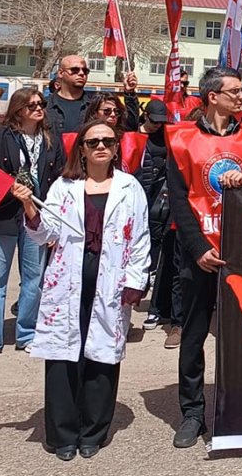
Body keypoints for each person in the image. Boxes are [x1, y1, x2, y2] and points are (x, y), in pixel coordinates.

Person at [18, 120, 150, 460]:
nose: (101, 146)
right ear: (82, 149)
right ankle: (62, 434)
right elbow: (45, 233)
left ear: (117, 146)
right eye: (93, 142)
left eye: (108, 140)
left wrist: (136, 279)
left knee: (102, 353)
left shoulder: (129, 186)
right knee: (63, 354)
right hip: (69, 276)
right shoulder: (64, 187)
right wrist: (29, 207)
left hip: (111, 278)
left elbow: (140, 238)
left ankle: (93, 430)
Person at [166, 66, 242, 448]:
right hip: (201, 252)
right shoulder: (181, 139)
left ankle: (241, 406)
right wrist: (197, 249)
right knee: (195, 334)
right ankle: (193, 412)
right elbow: (178, 200)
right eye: (234, 91)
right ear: (212, 96)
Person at [0, 87, 67, 361]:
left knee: (34, 279)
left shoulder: (52, 140)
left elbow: (60, 181)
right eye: (31, 105)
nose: (38, 108)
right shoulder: (1, 136)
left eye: (41, 104)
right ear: (18, 110)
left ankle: (28, 333)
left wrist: (54, 224)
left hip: (37, 216)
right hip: (2, 214)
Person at [135, 100, 171, 332]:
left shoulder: (166, 135)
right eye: (154, 121)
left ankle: (150, 273)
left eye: (161, 122)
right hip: (138, 191)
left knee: (155, 239)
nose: (158, 126)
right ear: (146, 116)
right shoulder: (133, 136)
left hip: (159, 196)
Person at [85, 92, 147, 175]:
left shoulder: (127, 140)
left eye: (117, 111)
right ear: (95, 113)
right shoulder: (84, 137)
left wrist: (130, 94)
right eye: (107, 111)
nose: (113, 114)